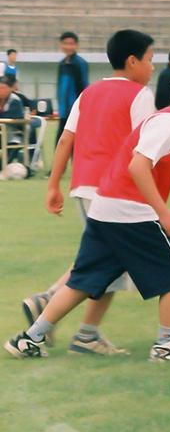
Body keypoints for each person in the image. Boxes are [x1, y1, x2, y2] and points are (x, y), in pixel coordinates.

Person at [6, 62, 170, 362]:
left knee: (82, 281)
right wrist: (163, 212)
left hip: (107, 207)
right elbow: (138, 164)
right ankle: (166, 344)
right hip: (129, 210)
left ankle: (29, 339)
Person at [20, 29, 159, 356]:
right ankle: (72, 322)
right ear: (132, 60)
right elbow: (146, 145)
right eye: (150, 60)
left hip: (83, 186)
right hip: (114, 190)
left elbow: (66, 139)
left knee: (107, 259)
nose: (153, 67)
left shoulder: (89, 93)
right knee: (109, 263)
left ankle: (80, 328)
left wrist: (54, 184)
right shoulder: (141, 95)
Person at [55, 31, 88, 141]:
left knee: (75, 145)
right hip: (64, 112)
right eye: (65, 43)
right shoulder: (62, 64)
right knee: (60, 143)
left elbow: (84, 87)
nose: (68, 47)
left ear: (76, 45)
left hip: (75, 112)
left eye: (71, 44)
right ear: (61, 45)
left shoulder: (80, 63)